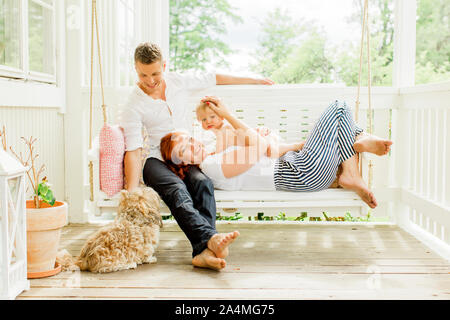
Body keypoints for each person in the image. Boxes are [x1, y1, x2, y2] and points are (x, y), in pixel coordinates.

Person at [119, 42, 274, 271]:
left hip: (185, 155)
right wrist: (131, 192)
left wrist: (254, 79)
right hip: (155, 160)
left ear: (164, 65)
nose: (150, 80)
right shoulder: (134, 103)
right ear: (135, 68)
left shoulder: (178, 81)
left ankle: (203, 252)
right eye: (143, 74)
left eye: (155, 73)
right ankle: (209, 242)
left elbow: (214, 77)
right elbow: (132, 150)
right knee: (176, 189)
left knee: (202, 184)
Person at [160, 96, 393, 209]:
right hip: (300, 170)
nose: (193, 145)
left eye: (189, 140)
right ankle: (355, 154)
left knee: (346, 124)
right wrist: (229, 115)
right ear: (182, 163)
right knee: (340, 108)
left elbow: (256, 145)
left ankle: (357, 146)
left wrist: (256, 135)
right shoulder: (211, 167)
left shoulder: (215, 154)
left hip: (298, 164)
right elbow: (261, 148)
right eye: (184, 149)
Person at [195, 100, 304, 156]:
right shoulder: (219, 131)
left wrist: (212, 154)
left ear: (221, 115)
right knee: (268, 152)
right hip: (256, 141)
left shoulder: (224, 129)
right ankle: (292, 149)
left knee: (271, 151)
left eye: (212, 116)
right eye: (204, 119)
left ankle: (296, 146)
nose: (208, 121)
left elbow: (220, 151)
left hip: (260, 137)